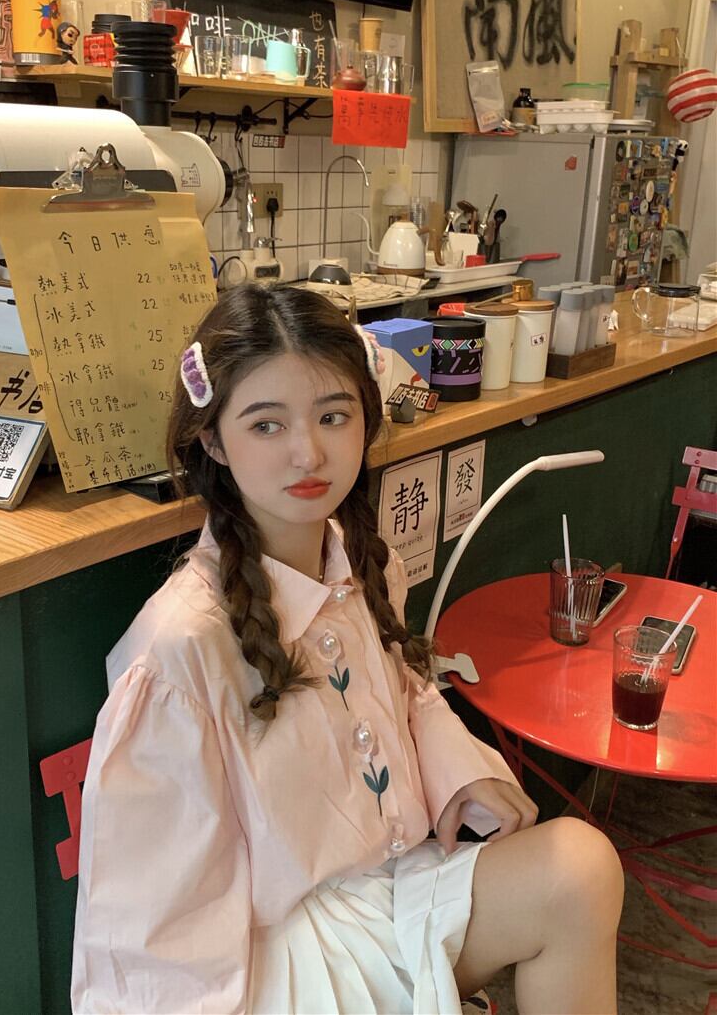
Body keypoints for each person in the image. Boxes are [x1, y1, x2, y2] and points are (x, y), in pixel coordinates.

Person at [71, 284, 624, 1014]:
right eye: (266, 425)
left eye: (333, 416)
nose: (308, 452)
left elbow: (404, 690)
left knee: (581, 868)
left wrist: (458, 773)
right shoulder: (177, 649)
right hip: (280, 958)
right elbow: (148, 921)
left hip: (392, 886)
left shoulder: (363, 561)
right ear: (214, 440)